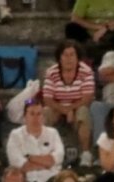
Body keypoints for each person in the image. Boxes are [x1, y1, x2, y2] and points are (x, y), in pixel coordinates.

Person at [41, 42, 95, 172]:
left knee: (83, 112)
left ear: (77, 57)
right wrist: (65, 110)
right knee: (45, 112)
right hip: (57, 106)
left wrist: (71, 109)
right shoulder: (52, 72)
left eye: (72, 55)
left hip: (78, 106)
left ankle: (85, 153)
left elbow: (87, 98)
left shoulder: (86, 72)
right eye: (65, 55)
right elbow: (47, 99)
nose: (69, 58)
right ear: (59, 57)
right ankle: (43, 152)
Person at [6, 102, 66, 182]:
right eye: (32, 114)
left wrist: (30, 157)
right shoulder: (15, 135)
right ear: (25, 116)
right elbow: (21, 165)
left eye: (39, 114)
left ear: (43, 116)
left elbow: (58, 157)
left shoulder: (53, 133)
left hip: (51, 178)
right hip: (25, 180)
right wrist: (46, 164)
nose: (36, 118)